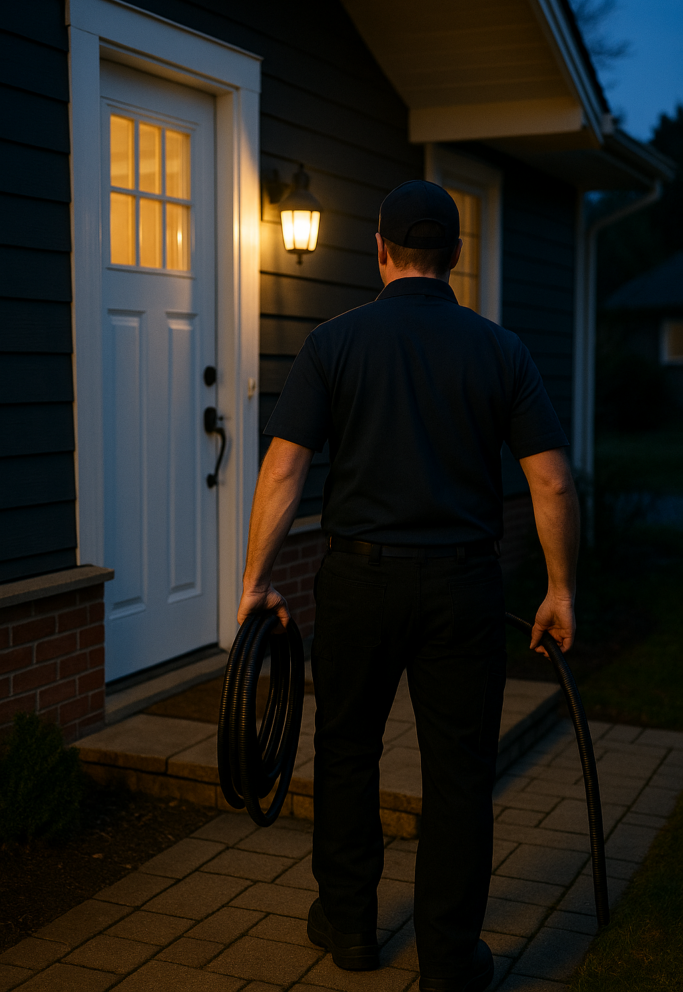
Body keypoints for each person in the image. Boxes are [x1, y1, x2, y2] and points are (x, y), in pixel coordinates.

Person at [237, 180, 580, 992]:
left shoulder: (333, 343)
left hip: (355, 581)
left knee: (346, 752)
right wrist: (560, 589)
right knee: (457, 772)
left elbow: (285, 468)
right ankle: (448, 963)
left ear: (381, 250)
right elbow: (553, 484)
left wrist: (255, 582)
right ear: (454, 257)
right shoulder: (502, 350)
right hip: (462, 589)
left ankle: (351, 928)